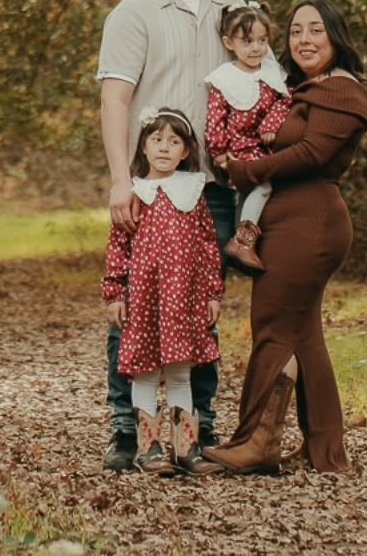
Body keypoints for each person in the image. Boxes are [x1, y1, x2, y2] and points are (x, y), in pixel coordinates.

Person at [97, 0, 243, 472]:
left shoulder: (233, 10)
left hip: (213, 185)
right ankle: (127, 430)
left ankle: (197, 429)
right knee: (132, 307)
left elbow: (261, 86)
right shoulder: (133, 13)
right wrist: (118, 181)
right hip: (147, 186)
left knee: (200, 307)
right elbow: (115, 98)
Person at [206, 0, 367, 476]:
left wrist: (245, 170)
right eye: (296, 32)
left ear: (335, 36)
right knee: (305, 335)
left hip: (311, 220)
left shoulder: (342, 90)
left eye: (315, 30)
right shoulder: (299, 88)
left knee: (274, 323)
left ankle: (256, 441)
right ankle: (326, 451)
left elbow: (313, 153)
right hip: (289, 218)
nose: (304, 40)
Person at [101, 107, 225, 476]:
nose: (165, 148)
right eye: (157, 139)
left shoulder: (194, 192)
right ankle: (149, 450)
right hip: (145, 300)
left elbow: (207, 246)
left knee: (181, 373)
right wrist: (114, 293)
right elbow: (118, 246)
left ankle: (186, 448)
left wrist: (211, 294)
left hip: (182, 301)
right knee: (145, 372)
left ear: (186, 151)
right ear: (143, 145)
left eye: (174, 141)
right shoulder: (135, 192)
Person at [203, 2, 290, 272]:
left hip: (265, 147)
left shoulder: (271, 72)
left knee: (261, 192)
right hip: (239, 149)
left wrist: (272, 124)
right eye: (248, 41)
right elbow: (215, 115)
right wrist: (217, 151)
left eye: (262, 40)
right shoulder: (225, 78)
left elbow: (285, 101)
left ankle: (245, 246)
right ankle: (243, 243)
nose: (256, 48)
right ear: (229, 43)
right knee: (262, 186)